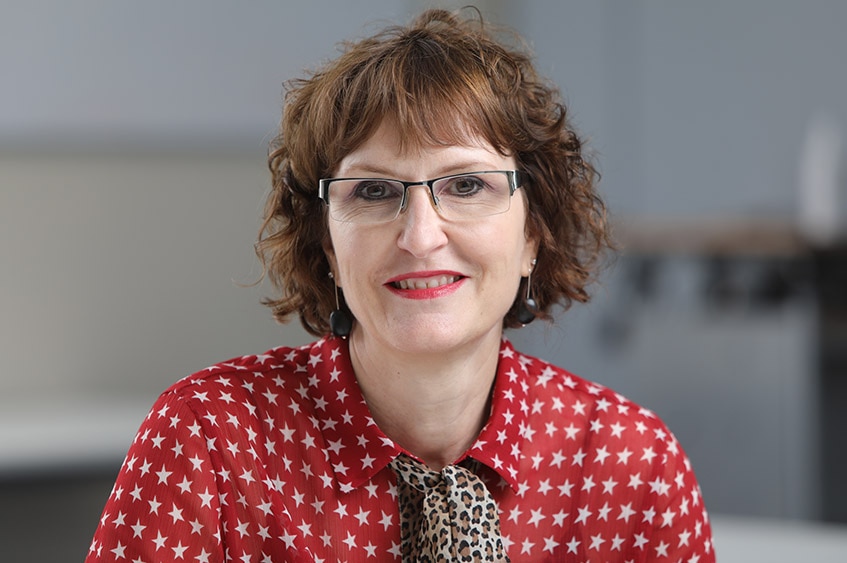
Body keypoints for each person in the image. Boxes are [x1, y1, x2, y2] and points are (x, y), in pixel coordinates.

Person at [86, 8, 714, 563]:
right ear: (327, 243)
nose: (420, 235)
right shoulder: (209, 443)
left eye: (467, 185)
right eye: (374, 191)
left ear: (533, 234)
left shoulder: (633, 467)